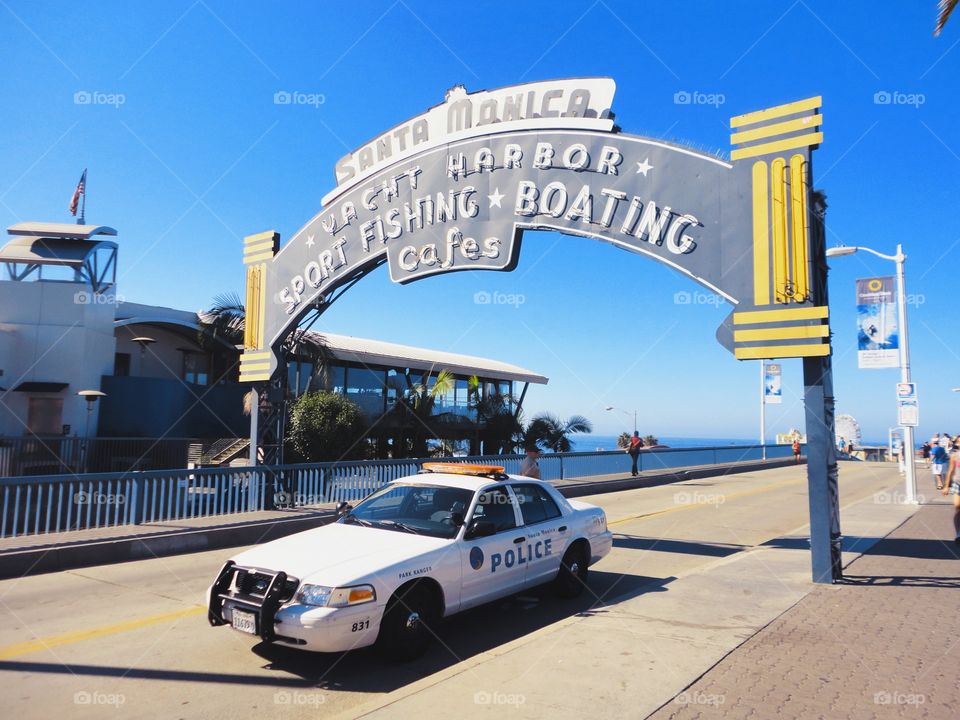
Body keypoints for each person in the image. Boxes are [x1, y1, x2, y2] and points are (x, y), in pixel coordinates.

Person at [941, 441, 960, 545]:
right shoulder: (955, 456)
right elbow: (951, 471)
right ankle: (958, 534)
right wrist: (946, 486)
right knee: (958, 509)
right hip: (958, 484)